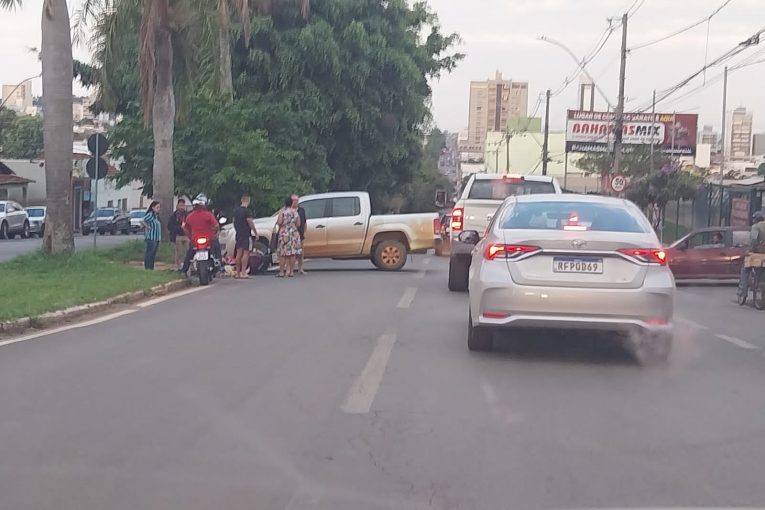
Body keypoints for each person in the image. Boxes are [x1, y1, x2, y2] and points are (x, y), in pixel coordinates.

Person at [181, 196, 221, 275]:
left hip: (195, 240)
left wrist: (190, 237)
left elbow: (185, 228)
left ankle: (184, 270)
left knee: (189, 254)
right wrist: (216, 234)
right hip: (209, 239)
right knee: (217, 250)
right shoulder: (208, 215)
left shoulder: (190, 216)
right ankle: (220, 265)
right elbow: (216, 226)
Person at [737, 211, 765, 299]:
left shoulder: (756, 227)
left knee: (745, 269)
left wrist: (750, 250)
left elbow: (753, 240)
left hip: (759, 254)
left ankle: (742, 291)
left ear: (756, 219)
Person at [276, 196, 302, 277]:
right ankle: (291, 271)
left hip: (284, 233)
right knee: (292, 253)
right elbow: (298, 224)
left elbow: (279, 222)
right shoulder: (295, 212)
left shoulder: (283, 212)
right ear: (291, 203)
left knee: (283, 253)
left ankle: (281, 272)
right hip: (293, 233)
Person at [233, 193, 257, 279]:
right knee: (246, 253)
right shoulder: (247, 211)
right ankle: (243, 272)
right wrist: (255, 232)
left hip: (238, 234)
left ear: (241, 200)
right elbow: (250, 222)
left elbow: (234, 222)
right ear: (248, 200)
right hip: (246, 234)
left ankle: (237, 273)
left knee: (238, 253)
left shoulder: (236, 211)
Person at [167, 198, 188, 270]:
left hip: (186, 235)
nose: (182, 207)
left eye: (183, 205)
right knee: (179, 252)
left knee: (187, 251)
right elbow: (170, 226)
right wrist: (179, 227)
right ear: (177, 205)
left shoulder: (187, 214)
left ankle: (186, 265)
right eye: (180, 205)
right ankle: (178, 266)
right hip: (178, 235)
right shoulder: (174, 216)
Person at [142, 201, 161, 270]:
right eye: (157, 207)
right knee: (149, 253)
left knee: (153, 254)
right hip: (151, 237)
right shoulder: (150, 215)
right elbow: (142, 220)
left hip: (156, 238)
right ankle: (147, 267)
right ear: (153, 208)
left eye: (159, 207)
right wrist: (147, 226)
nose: (159, 209)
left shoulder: (156, 216)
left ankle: (151, 267)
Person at [291, 193, 307, 275]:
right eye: (294, 200)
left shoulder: (301, 210)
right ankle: (291, 269)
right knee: (292, 252)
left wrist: (304, 232)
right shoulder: (288, 210)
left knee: (300, 252)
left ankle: (300, 268)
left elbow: (304, 222)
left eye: (297, 200)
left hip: (300, 233)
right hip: (291, 234)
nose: (295, 202)